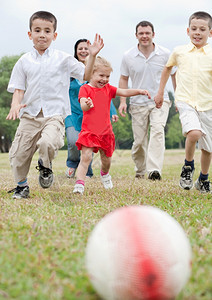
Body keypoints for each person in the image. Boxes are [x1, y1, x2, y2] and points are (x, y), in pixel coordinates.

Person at [6, 11, 104, 199]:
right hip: (30, 115)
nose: (42, 34)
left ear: (54, 35)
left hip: (54, 114)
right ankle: (22, 186)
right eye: (37, 30)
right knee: (18, 154)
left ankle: (45, 166)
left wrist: (91, 56)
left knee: (47, 142)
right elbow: (18, 89)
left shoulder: (63, 58)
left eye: (47, 31)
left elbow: (85, 75)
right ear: (30, 34)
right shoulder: (23, 61)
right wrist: (15, 105)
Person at [72, 56, 151, 194]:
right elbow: (83, 105)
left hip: (105, 133)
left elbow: (124, 91)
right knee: (86, 157)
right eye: (101, 75)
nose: (104, 79)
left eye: (107, 76)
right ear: (91, 73)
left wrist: (139, 91)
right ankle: (79, 185)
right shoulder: (85, 89)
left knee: (106, 159)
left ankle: (105, 174)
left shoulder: (108, 89)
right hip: (89, 132)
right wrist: (87, 104)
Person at [155, 11, 212, 193]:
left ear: (210, 32)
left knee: (208, 149)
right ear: (188, 31)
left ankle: (203, 178)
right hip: (185, 100)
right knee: (194, 133)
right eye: (194, 29)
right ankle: (188, 166)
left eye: (202, 29)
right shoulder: (179, 51)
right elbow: (167, 69)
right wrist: (161, 91)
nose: (197, 32)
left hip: (208, 103)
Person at [118, 21, 176, 180]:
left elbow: (174, 75)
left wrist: (178, 99)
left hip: (160, 101)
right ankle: (140, 170)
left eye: (147, 33)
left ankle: (154, 171)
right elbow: (123, 78)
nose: (144, 36)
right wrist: (123, 101)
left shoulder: (165, 53)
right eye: (141, 33)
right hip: (137, 104)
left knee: (157, 131)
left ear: (153, 35)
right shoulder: (128, 56)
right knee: (139, 142)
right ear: (136, 35)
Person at [65, 39, 118, 179]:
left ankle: (87, 172)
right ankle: (72, 163)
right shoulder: (70, 71)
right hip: (72, 112)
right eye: (80, 48)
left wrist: (112, 112)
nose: (83, 51)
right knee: (72, 140)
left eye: (86, 48)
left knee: (88, 143)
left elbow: (105, 94)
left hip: (90, 114)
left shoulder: (97, 72)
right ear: (76, 52)